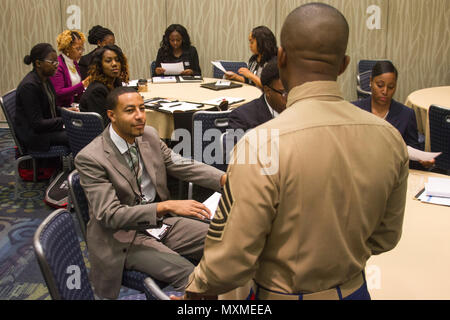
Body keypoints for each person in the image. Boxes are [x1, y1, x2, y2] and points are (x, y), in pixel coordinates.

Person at [180, 3, 409, 300]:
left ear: (282, 57)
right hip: (356, 290)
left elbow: (228, 263)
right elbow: (386, 238)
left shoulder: (260, 145)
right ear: (344, 64)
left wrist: (194, 292)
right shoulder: (390, 138)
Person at [74, 86, 226, 300]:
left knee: (226, 242)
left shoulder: (149, 136)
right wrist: (165, 206)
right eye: (130, 110)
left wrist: (222, 179)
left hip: (160, 224)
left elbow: (180, 164)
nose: (140, 117)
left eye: (142, 108)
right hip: (123, 237)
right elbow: (110, 215)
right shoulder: (91, 157)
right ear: (112, 116)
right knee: (191, 275)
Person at [352, 61, 434, 169]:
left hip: (394, 173)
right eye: (380, 85)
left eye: (391, 87)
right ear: (371, 82)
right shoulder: (354, 110)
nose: (385, 91)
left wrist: (423, 162)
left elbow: (413, 157)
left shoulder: (406, 114)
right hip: (361, 171)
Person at [15, 43, 72, 152]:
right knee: (75, 136)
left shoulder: (46, 79)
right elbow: (37, 124)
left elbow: (52, 107)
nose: (56, 65)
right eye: (52, 62)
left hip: (45, 129)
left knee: (77, 131)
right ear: (38, 63)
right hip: (34, 137)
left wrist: (67, 112)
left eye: (57, 62)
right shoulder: (29, 86)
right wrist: (65, 119)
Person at [229, 59, 287, 132]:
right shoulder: (242, 118)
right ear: (268, 91)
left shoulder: (300, 112)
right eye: (284, 94)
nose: (291, 97)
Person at [79, 45, 128, 126]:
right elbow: (103, 124)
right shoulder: (97, 90)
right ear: (100, 66)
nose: (114, 64)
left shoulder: (116, 82)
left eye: (117, 60)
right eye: (108, 61)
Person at [50, 30, 90, 108]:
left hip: (73, 105)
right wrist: (82, 85)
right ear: (67, 48)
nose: (81, 52)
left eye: (82, 49)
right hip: (61, 109)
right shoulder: (58, 65)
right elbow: (59, 93)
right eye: (78, 49)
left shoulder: (73, 62)